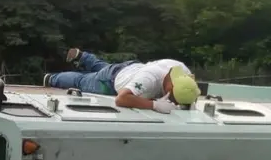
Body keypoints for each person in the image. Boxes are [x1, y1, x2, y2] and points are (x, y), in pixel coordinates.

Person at [43, 48, 201, 113]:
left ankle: (83, 57)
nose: (174, 103)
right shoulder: (149, 80)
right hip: (111, 82)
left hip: (130, 69)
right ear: (169, 88)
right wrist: (154, 105)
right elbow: (122, 99)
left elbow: (190, 91)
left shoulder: (181, 70)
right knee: (82, 81)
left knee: (105, 67)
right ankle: (52, 78)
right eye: (173, 98)